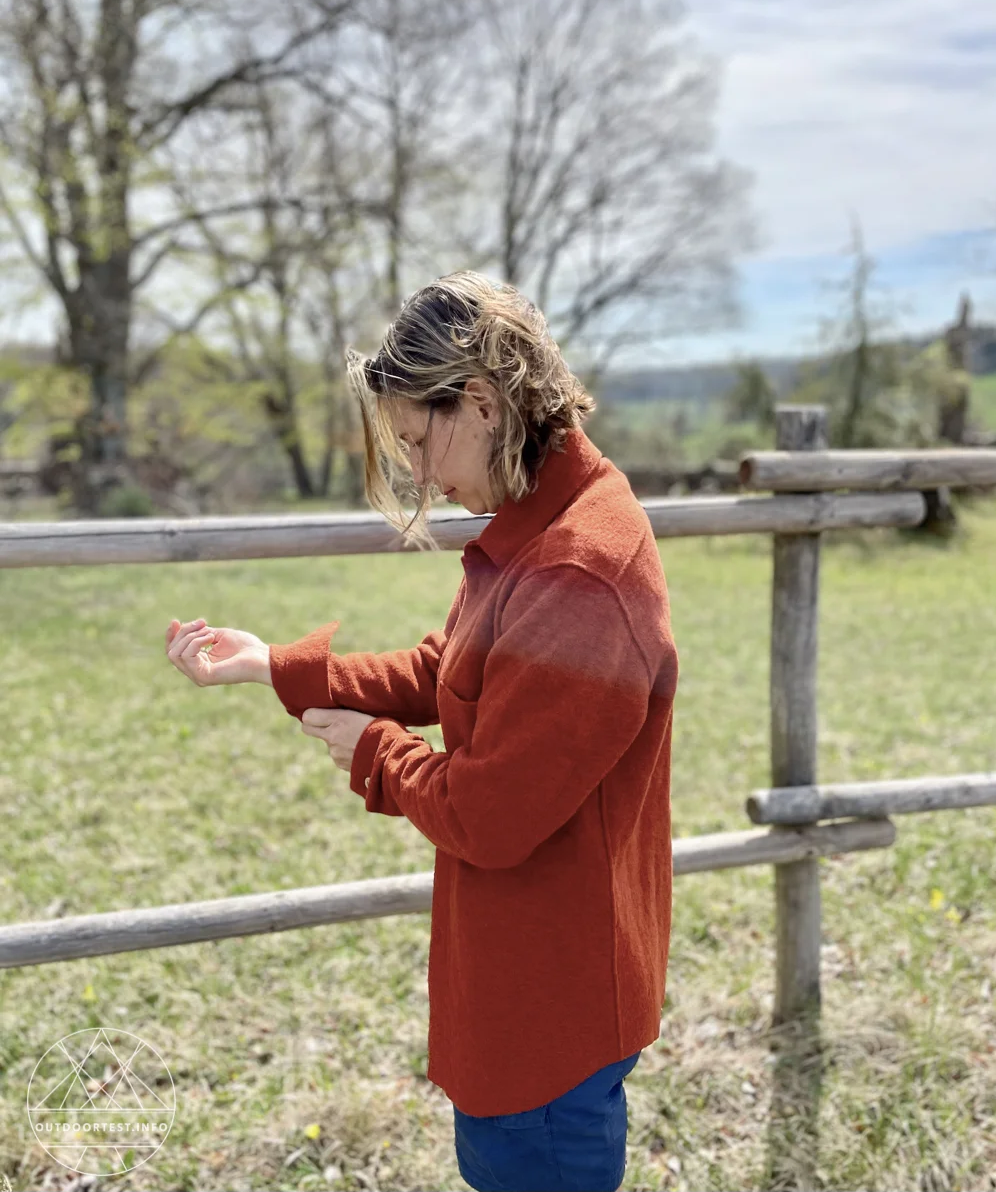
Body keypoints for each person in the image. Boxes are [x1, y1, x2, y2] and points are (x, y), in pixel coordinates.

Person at [165, 271, 678, 1192]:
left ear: (479, 402)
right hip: (526, 975)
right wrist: (272, 662)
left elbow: (489, 814)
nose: (414, 468)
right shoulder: (538, 524)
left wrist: (375, 752)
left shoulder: (577, 571)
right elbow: (450, 672)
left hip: (548, 1007)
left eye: (415, 435)